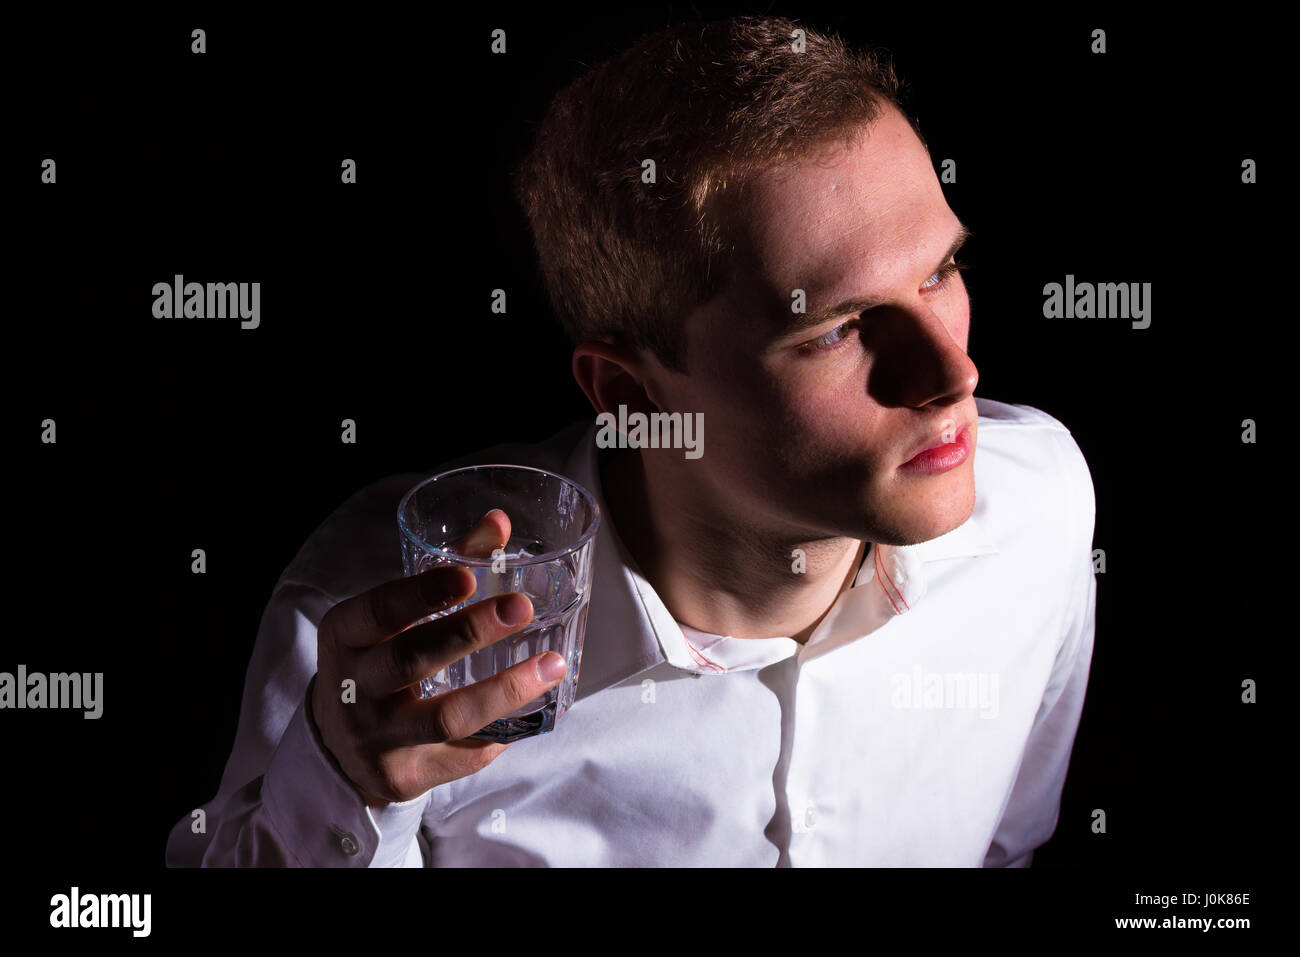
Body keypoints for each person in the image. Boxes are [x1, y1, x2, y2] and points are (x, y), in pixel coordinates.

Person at [166, 15, 1096, 867]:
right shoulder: (387, 631)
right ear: (626, 390)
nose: (951, 375)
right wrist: (346, 785)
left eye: (941, 273)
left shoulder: (1040, 505)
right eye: (836, 329)